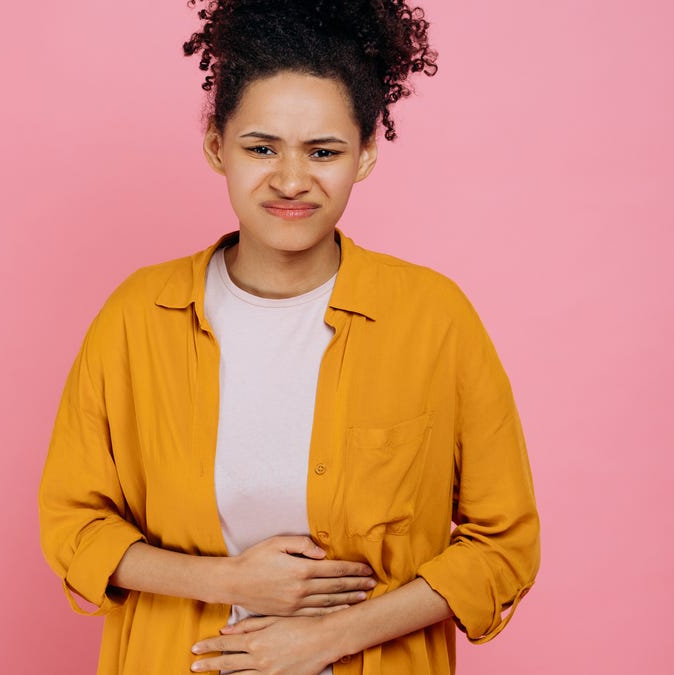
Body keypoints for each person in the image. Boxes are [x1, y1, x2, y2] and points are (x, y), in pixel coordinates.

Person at [37, 1, 540, 673]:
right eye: (261, 146)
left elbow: (502, 545)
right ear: (218, 146)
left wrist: (335, 634)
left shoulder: (434, 318)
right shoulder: (137, 316)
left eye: (323, 150)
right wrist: (230, 582)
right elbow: (74, 524)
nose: (291, 179)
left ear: (364, 155)